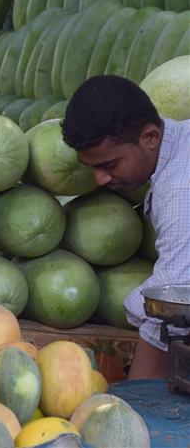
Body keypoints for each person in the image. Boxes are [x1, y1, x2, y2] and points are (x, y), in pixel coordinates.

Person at [61, 75, 189, 380]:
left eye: (110, 165)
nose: (100, 180)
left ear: (150, 138)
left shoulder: (179, 190)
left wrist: (140, 396)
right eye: (92, 167)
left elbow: (173, 299)